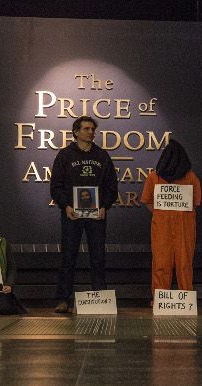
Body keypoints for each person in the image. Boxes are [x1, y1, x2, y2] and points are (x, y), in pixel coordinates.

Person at [50, 115, 118, 313]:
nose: (90, 132)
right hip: (72, 214)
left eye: (92, 129)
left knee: (98, 257)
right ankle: (63, 300)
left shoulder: (102, 156)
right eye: (86, 129)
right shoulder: (64, 155)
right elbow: (56, 187)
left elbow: (112, 187)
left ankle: (100, 299)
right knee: (68, 257)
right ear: (76, 132)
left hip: (97, 215)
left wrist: (105, 206)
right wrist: (66, 207)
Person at [140, 139, 201, 299]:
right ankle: (165, 299)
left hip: (170, 226)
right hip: (177, 225)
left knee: (179, 264)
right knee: (167, 264)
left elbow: (147, 201)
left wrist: (160, 213)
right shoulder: (189, 176)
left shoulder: (155, 176)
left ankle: (179, 299)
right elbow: (195, 203)